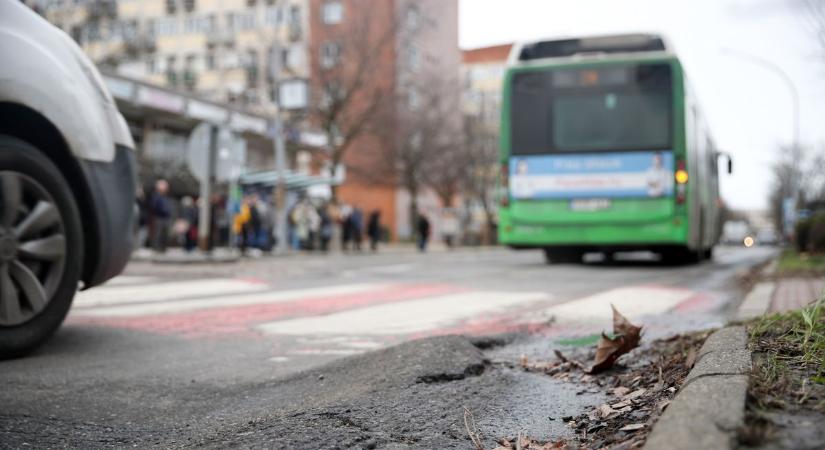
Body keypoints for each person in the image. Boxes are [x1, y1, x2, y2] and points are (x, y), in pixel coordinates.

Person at [150, 179, 171, 253]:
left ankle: (162, 248)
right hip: (159, 217)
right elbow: (154, 206)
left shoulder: (164, 196)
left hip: (165, 217)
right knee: (158, 233)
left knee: (164, 234)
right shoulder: (156, 196)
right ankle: (156, 248)